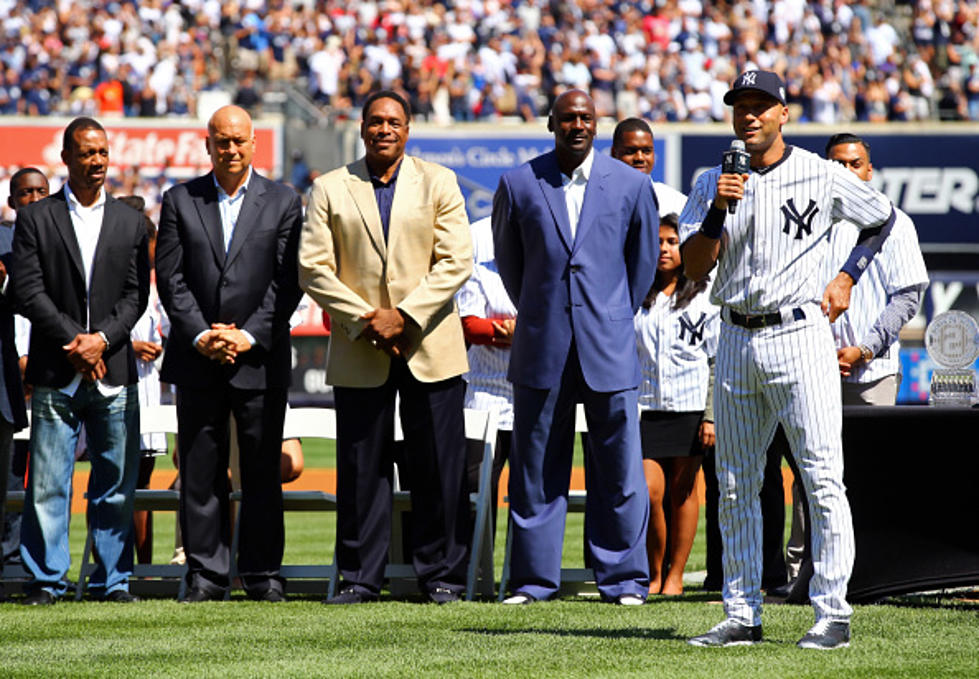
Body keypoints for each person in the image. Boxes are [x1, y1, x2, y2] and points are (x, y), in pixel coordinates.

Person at [682, 70, 895, 650]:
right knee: (735, 484)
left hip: (799, 333)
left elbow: (882, 217)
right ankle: (742, 612)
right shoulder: (710, 181)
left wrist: (848, 275)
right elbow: (696, 267)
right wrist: (716, 211)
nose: (748, 115)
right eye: (740, 105)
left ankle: (832, 611)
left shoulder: (821, 173)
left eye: (760, 105)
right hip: (733, 337)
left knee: (822, 476)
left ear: (783, 113)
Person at [299, 90, 473, 605]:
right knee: (360, 469)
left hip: (429, 344)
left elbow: (456, 260)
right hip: (360, 346)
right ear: (361, 127)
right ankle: (359, 578)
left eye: (393, 122)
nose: (384, 130)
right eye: (375, 122)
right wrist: (367, 320)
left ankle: (442, 576)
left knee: (439, 468)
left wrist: (406, 316)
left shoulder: (438, 181)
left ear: (408, 127)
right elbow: (313, 268)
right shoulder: (330, 187)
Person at [492, 89, 658, 605]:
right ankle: (533, 581)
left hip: (607, 345)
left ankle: (624, 580)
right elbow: (511, 266)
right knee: (536, 470)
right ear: (551, 123)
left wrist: (608, 314)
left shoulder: (630, 183)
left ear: (596, 123)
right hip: (543, 346)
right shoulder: (519, 182)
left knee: (620, 470)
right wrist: (544, 314)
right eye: (568, 118)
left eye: (586, 117)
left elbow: (643, 262)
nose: (577, 125)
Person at [156, 104, 303, 603]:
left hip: (259, 358)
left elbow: (289, 283)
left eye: (240, 141)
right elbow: (170, 278)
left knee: (262, 470)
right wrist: (202, 335)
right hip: (197, 358)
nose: (232, 149)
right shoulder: (179, 200)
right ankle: (206, 575)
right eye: (223, 141)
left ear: (254, 143)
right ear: (209, 144)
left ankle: (262, 574)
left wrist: (247, 336)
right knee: (199, 471)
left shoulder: (284, 201)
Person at [779, 132, 930, 594]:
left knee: (867, 473)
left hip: (871, 372)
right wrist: (816, 346)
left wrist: (864, 348)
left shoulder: (895, 221)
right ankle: (800, 573)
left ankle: (870, 574)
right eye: (837, 163)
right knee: (810, 471)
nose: (846, 171)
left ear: (869, 170)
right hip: (810, 362)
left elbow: (908, 296)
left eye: (855, 163)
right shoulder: (808, 218)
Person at [12, 117, 149, 604]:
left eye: (103, 153)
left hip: (113, 373)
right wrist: (78, 341)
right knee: (48, 485)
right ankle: (47, 580)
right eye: (87, 153)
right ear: (66, 158)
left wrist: (103, 340)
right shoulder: (36, 218)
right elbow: (28, 290)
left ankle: (112, 579)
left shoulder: (132, 221)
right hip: (57, 370)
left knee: (115, 483)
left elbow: (137, 297)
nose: (96, 162)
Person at [632, 213, 718, 596]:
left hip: (690, 407)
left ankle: (675, 576)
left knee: (683, 493)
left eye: (671, 242)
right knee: (650, 492)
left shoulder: (705, 296)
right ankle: (654, 570)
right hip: (644, 408)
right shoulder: (634, 294)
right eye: (658, 242)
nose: (664, 249)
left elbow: (716, 361)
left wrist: (710, 417)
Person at [455, 215, 517, 535]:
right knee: (475, 488)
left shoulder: (547, 270)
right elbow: (469, 325)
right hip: (483, 391)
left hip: (532, 394)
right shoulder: (481, 269)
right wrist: (506, 330)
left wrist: (516, 331)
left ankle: (526, 575)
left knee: (530, 494)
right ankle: (475, 575)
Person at [116, 195, 169, 565]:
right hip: (116, 384)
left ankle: (144, 567)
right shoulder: (106, 281)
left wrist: (159, 345)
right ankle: (112, 564)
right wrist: (130, 346)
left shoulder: (153, 287)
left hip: (148, 390)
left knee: (144, 483)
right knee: (113, 479)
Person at [0, 169, 42, 597]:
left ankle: (17, 563)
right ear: (11, 202)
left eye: (40, 192)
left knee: (22, 481)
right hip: (15, 375)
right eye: (23, 193)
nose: (32, 199)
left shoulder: (62, 238)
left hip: (40, 378)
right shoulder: (3, 241)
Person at [610, 117, 687, 217]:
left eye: (646, 151)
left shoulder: (674, 202)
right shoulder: (598, 199)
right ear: (614, 153)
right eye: (630, 151)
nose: (640, 158)